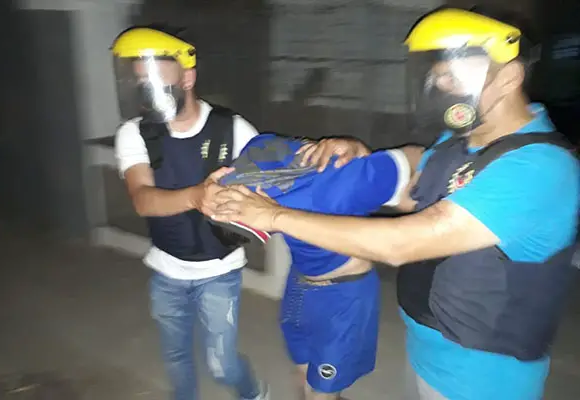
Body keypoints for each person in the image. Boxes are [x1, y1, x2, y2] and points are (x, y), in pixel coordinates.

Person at [206, 7, 580, 400]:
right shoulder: (461, 142)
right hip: (428, 345)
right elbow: (421, 173)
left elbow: (401, 244)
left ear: (509, 77)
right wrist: (361, 153)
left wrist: (274, 215)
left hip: (484, 373)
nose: (442, 87)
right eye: (438, 75)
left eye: (455, 76)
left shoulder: (539, 168)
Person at [110, 25, 268, 400]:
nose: (147, 90)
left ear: (187, 77)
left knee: (222, 365)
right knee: (177, 358)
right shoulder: (135, 133)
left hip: (220, 270)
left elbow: (267, 190)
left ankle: (253, 393)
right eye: (140, 81)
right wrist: (197, 196)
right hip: (166, 270)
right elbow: (143, 199)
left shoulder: (233, 129)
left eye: (155, 81)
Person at [213, 132, 418, 400]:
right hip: (299, 280)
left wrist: (359, 149)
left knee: (322, 391)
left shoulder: (343, 180)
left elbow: (419, 158)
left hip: (344, 296)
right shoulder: (256, 149)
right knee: (302, 370)